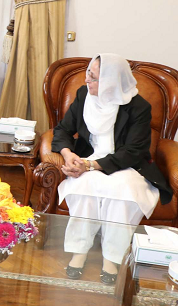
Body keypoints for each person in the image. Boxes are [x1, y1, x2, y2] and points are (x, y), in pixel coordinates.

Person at [51, 53, 173, 284]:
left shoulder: (138, 107)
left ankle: (112, 258)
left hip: (128, 166)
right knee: (84, 186)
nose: (87, 80)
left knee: (124, 192)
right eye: (88, 73)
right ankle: (79, 252)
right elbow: (62, 130)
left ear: (111, 81)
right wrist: (69, 156)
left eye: (94, 77)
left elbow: (134, 151)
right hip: (87, 161)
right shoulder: (83, 95)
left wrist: (89, 165)